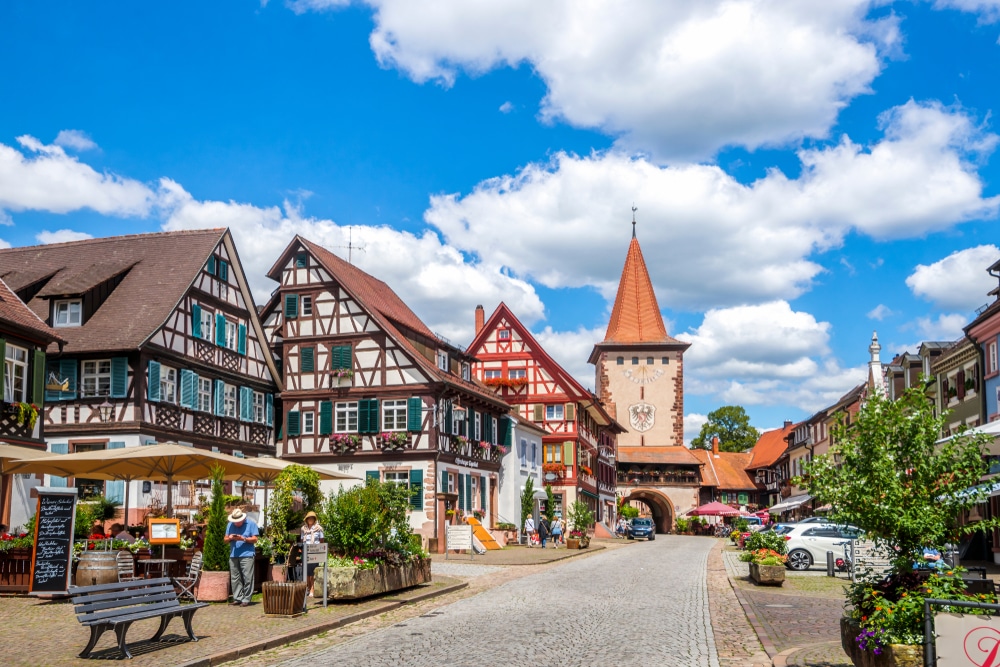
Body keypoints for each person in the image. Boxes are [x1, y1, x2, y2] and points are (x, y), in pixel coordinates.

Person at [224, 508, 259, 606]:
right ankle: (238, 598)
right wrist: (230, 538)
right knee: (235, 577)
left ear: (242, 519)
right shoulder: (230, 525)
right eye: (234, 521)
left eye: (237, 522)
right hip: (234, 554)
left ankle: (246, 599)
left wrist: (243, 539)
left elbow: (255, 539)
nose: (235, 523)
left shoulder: (251, 524)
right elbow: (225, 539)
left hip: (247, 554)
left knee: (247, 577)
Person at [300, 511, 325, 597]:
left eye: (312, 518)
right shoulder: (303, 529)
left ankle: (312, 589)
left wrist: (320, 551)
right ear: (306, 520)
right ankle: (307, 587)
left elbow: (322, 540)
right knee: (306, 571)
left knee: (312, 571)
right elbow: (302, 539)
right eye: (309, 518)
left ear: (314, 519)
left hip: (315, 551)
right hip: (306, 551)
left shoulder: (319, 528)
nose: (310, 519)